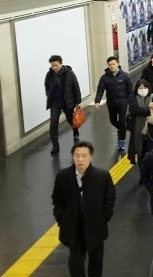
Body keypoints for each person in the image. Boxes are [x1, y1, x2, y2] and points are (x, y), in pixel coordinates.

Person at [52, 141, 116, 277]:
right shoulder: (63, 177)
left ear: (91, 157)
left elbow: (109, 199)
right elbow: (57, 199)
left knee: (96, 261)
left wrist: (103, 218)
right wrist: (62, 219)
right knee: (75, 262)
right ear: (72, 156)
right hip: (73, 226)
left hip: (95, 226)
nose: (80, 159)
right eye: (77, 155)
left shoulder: (102, 176)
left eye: (84, 156)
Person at [45, 55, 82, 154]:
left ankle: (75, 130)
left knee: (70, 119)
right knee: (53, 123)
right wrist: (49, 96)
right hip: (55, 103)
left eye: (56, 65)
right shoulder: (49, 74)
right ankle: (55, 145)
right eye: (52, 66)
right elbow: (47, 86)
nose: (54, 68)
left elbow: (76, 86)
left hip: (67, 101)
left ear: (61, 63)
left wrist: (78, 101)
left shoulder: (69, 73)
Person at [127, 79, 153, 164]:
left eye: (145, 87)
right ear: (136, 89)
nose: (143, 90)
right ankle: (142, 169)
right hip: (137, 129)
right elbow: (135, 110)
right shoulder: (132, 97)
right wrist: (150, 111)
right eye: (140, 88)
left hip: (152, 130)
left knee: (151, 150)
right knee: (141, 152)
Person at [95, 57, 132, 152]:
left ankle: (121, 140)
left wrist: (130, 101)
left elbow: (130, 90)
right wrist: (97, 101)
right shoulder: (104, 78)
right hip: (111, 103)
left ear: (117, 64)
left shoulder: (125, 76)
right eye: (109, 65)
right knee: (113, 120)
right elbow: (100, 90)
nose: (111, 66)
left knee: (122, 121)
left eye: (113, 64)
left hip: (123, 103)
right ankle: (122, 129)